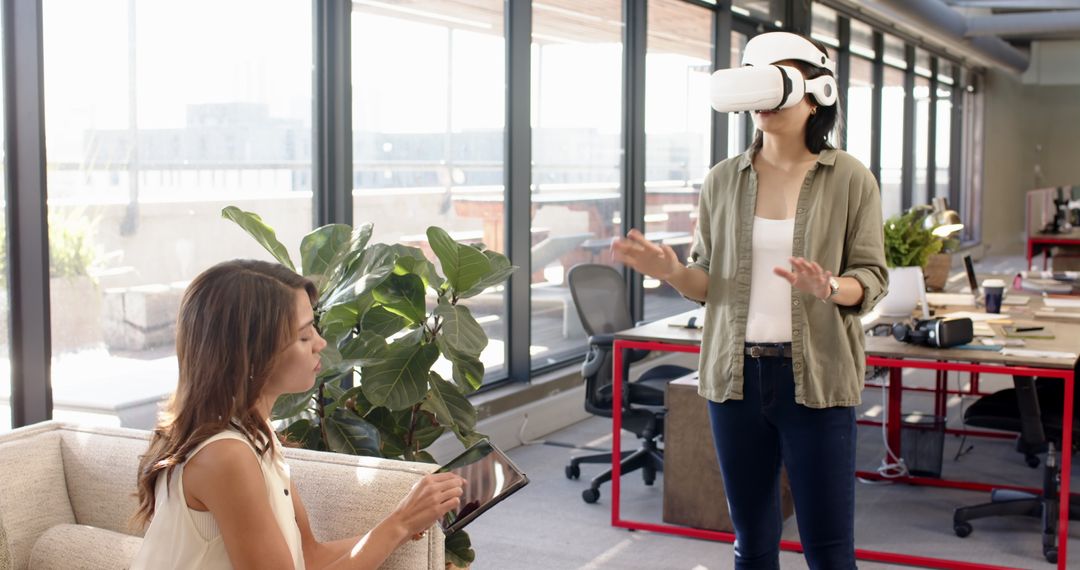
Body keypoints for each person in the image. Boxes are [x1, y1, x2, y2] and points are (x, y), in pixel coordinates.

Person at [612, 32, 888, 569]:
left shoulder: (850, 177)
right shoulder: (723, 180)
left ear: (817, 95)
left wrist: (830, 287)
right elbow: (708, 282)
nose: (764, 96)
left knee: (829, 549)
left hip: (818, 379)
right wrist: (673, 273)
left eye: (777, 79)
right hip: (735, 380)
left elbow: (872, 277)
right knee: (752, 541)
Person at [132, 259, 465, 569]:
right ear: (253, 355)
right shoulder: (225, 456)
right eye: (304, 336)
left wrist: (404, 524)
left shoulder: (255, 435)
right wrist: (400, 523)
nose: (320, 343)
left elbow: (308, 556)